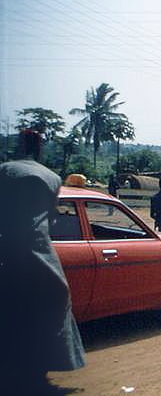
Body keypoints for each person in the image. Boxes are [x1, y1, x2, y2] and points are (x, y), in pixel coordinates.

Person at [0, 130, 85, 389]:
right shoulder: (52, 177)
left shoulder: (4, 170)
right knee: (56, 302)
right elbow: (50, 218)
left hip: (6, 251)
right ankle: (43, 369)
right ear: (39, 149)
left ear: (18, 146)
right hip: (40, 253)